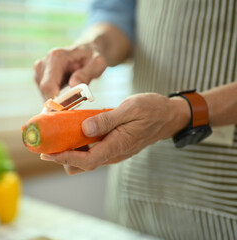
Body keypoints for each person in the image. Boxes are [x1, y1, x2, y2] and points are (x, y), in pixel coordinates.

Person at [33, 0, 237, 239]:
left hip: (225, 190)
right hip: (139, 176)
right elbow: (117, 12)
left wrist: (182, 112)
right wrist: (92, 45)